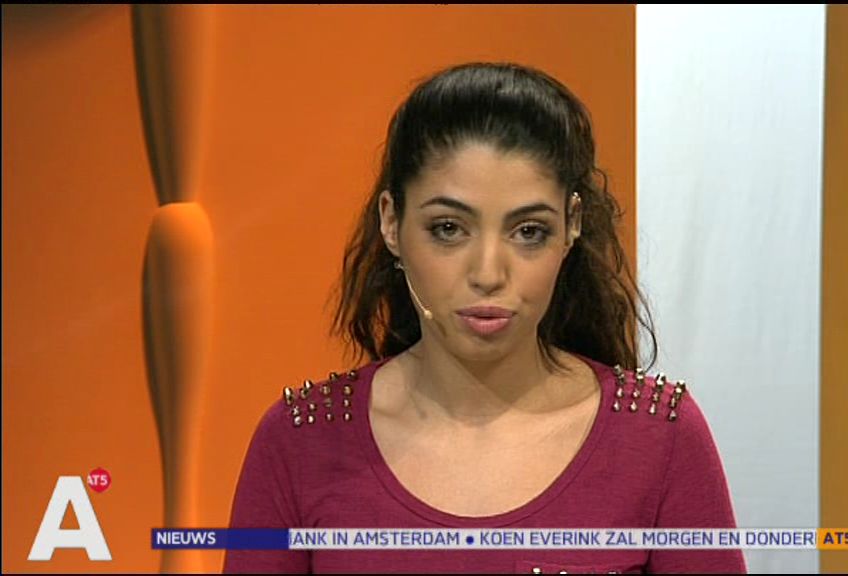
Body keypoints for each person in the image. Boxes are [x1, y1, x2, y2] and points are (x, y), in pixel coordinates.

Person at [224, 62, 746, 574]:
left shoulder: (658, 436)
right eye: (449, 228)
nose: (489, 273)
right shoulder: (300, 440)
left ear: (571, 226)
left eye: (528, 232)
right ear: (391, 222)